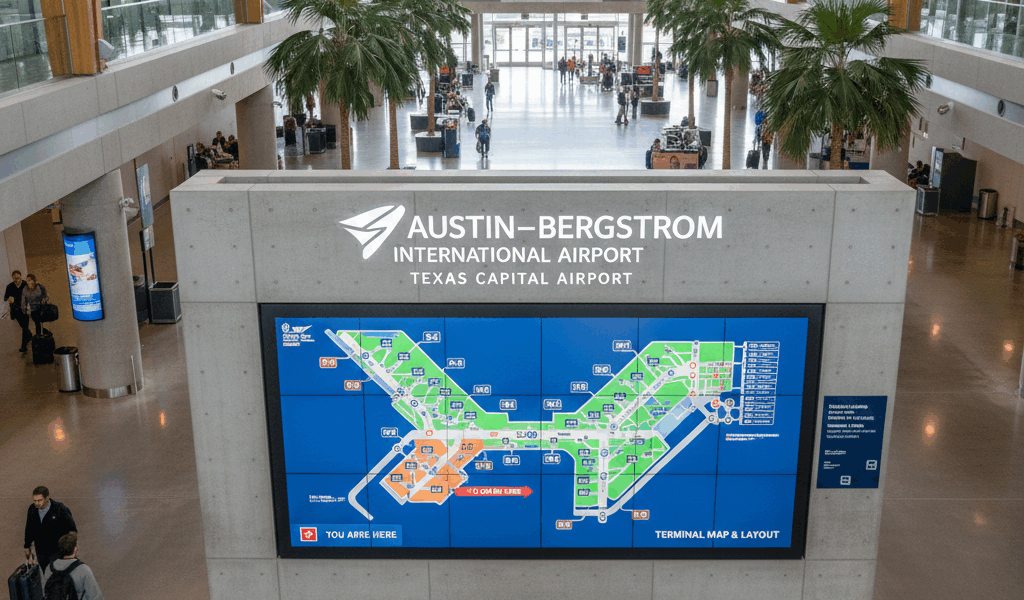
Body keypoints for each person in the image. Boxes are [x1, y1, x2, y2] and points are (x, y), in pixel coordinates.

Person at [24, 486, 77, 572]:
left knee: (58, 575)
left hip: (57, 551)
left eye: (39, 500)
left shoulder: (60, 509)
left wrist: (70, 549)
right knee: (46, 574)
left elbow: (72, 530)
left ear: (47, 498)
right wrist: (27, 546)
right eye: (35, 501)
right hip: (41, 552)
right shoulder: (32, 509)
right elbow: (29, 528)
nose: (37, 503)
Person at [42, 533, 104, 600]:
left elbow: (46, 592)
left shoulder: (49, 568)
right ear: (75, 549)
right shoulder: (83, 569)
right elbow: (95, 596)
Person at [5, 270, 31, 353]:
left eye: (18, 278)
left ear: (20, 277)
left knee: (24, 327)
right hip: (15, 310)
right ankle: (30, 336)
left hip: (24, 309)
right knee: (24, 327)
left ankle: (23, 346)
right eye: (14, 278)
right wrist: (9, 299)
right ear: (12, 278)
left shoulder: (25, 285)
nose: (16, 280)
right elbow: (5, 297)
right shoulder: (9, 286)